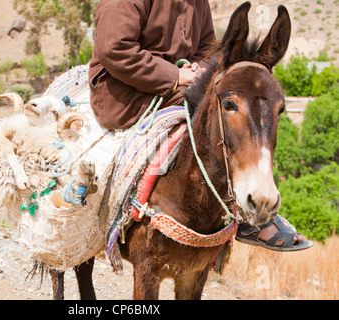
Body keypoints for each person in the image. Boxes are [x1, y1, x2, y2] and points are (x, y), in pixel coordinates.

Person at [89, 0, 312, 251]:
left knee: (233, 113)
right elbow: (115, 48)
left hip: (180, 86)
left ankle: (250, 202)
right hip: (125, 91)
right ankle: (239, 212)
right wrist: (176, 76)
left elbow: (208, 51)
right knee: (212, 119)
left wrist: (198, 71)